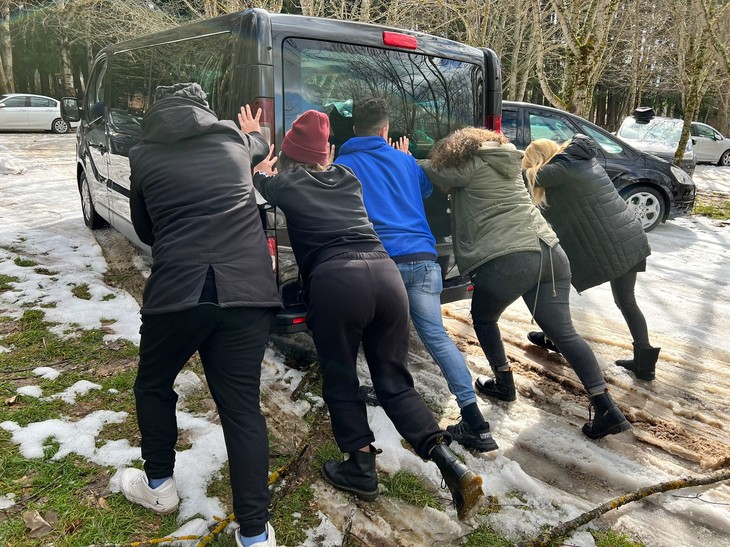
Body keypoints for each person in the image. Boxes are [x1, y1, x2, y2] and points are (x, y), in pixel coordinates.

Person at [240, 108, 484, 521]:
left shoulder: (288, 182)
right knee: (395, 381)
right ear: (327, 153)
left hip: (338, 282)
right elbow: (324, 169)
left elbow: (253, 177)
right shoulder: (348, 179)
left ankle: (361, 467)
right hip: (385, 277)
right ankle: (451, 464)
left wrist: (257, 146)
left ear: (289, 155)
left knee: (341, 378)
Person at [122, 83, 280, 547]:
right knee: (241, 410)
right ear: (204, 111)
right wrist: (259, 131)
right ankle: (254, 534)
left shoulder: (142, 155)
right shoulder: (233, 138)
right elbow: (261, 143)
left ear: (154, 113)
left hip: (177, 294)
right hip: (247, 293)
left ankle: (158, 487)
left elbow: (146, 228)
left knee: (153, 384)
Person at [417, 127, 631, 440]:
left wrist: (401, 153)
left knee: (484, 319)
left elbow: (430, 170)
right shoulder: (510, 164)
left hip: (510, 258)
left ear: (460, 148)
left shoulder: (470, 165)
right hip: (551, 253)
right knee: (565, 333)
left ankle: (504, 383)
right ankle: (607, 407)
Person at [334, 97, 498, 453]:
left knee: (380, 334)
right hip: (423, 259)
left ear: (353, 128)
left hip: (378, 263)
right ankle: (475, 420)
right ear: (386, 128)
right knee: (436, 337)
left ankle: (384, 392)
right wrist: (405, 160)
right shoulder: (406, 162)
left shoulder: (343, 164)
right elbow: (426, 192)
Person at [522, 135, 660, 381]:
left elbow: (525, 178)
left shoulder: (561, 169)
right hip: (630, 237)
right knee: (626, 300)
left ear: (539, 160)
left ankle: (555, 336)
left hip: (612, 244)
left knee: (556, 284)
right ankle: (645, 363)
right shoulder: (580, 161)